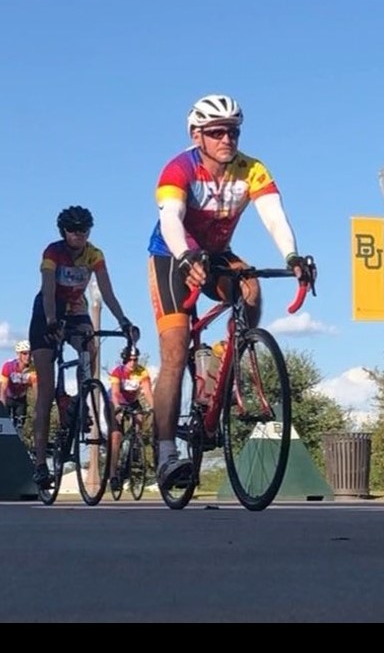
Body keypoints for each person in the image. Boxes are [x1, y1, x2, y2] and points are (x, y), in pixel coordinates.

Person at [146, 94, 314, 492]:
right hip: (172, 256)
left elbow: (273, 214)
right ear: (197, 135)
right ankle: (167, 453)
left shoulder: (251, 169)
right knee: (175, 350)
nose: (227, 139)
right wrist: (186, 255)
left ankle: (232, 354)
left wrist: (292, 255)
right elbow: (171, 219)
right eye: (216, 132)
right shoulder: (178, 168)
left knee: (250, 289)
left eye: (233, 132)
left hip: (217, 255)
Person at [30, 205, 140, 489]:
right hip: (48, 310)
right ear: (64, 232)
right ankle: (41, 464)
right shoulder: (53, 252)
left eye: (84, 230)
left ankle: (84, 394)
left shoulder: (95, 255)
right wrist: (53, 320)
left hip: (76, 310)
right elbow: (48, 288)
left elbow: (107, 292)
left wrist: (124, 321)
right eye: (73, 231)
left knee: (89, 345)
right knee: (44, 391)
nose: (79, 236)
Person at [0, 339, 36, 430]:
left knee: (20, 423)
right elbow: (3, 388)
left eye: (30, 353)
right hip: (7, 397)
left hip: (21, 399)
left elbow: (36, 389)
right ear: (18, 354)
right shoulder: (8, 366)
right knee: (4, 422)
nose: (28, 356)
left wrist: (39, 406)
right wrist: (1, 406)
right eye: (24, 353)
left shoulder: (33, 369)